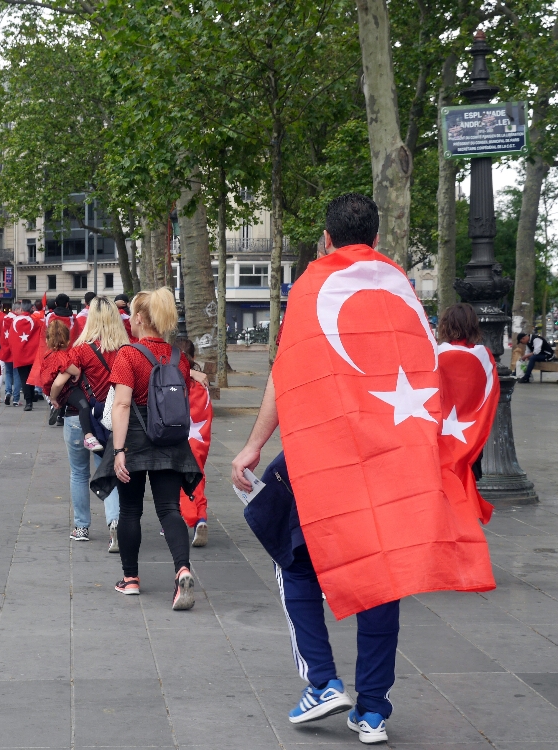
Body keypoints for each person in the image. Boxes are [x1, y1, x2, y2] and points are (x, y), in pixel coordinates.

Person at [232, 194, 494, 744]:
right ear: (376, 238)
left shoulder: (312, 287)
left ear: (326, 238)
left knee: (289, 552)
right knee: (384, 571)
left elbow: (287, 373)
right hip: (392, 454)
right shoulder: (401, 287)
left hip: (326, 451)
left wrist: (254, 445)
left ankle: (322, 681)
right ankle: (373, 710)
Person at [91, 288, 204, 610]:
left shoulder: (128, 355)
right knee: (170, 509)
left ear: (139, 318)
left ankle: (130, 579)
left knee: (130, 511)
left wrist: (119, 450)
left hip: (136, 441)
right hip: (170, 441)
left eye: (132, 315)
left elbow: (122, 404)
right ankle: (182, 569)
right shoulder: (178, 358)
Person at [51, 296, 129, 549]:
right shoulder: (125, 350)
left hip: (78, 417)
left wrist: (54, 398)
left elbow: (59, 382)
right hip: (110, 419)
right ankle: (114, 522)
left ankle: (81, 526)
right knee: (108, 470)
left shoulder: (81, 349)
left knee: (78, 472)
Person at [437, 303, 500, 525]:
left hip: (440, 434)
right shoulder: (484, 356)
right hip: (469, 434)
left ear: (446, 325)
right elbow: (490, 393)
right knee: (466, 477)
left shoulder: (435, 355)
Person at [175, 338, 212, 547]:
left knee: (180, 481)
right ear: (194, 357)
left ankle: (190, 517)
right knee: (199, 478)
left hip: (180, 438)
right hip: (200, 438)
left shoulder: (175, 382)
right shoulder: (202, 385)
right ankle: (202, 517)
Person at [8, 300, 43, 411]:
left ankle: (28, 402)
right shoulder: (35, 321)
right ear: (31, 308)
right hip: (33, 353)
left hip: (20, 354)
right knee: (31, 377)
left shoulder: (14, 321)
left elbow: (11, 338)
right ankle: (31, 397)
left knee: (24, 378)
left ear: (21, 309)